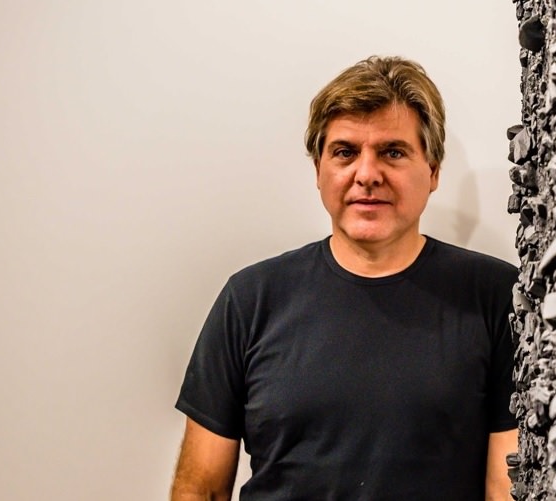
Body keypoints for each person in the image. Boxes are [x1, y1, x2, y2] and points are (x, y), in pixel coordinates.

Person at [170, 55, 519, 501]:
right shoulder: (250, 300)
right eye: (345, 152)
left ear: (432, 171)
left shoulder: (497, 298)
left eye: (393, 152)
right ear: (319, 170)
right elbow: (200, 489)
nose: (367, 175)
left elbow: (507, 488)